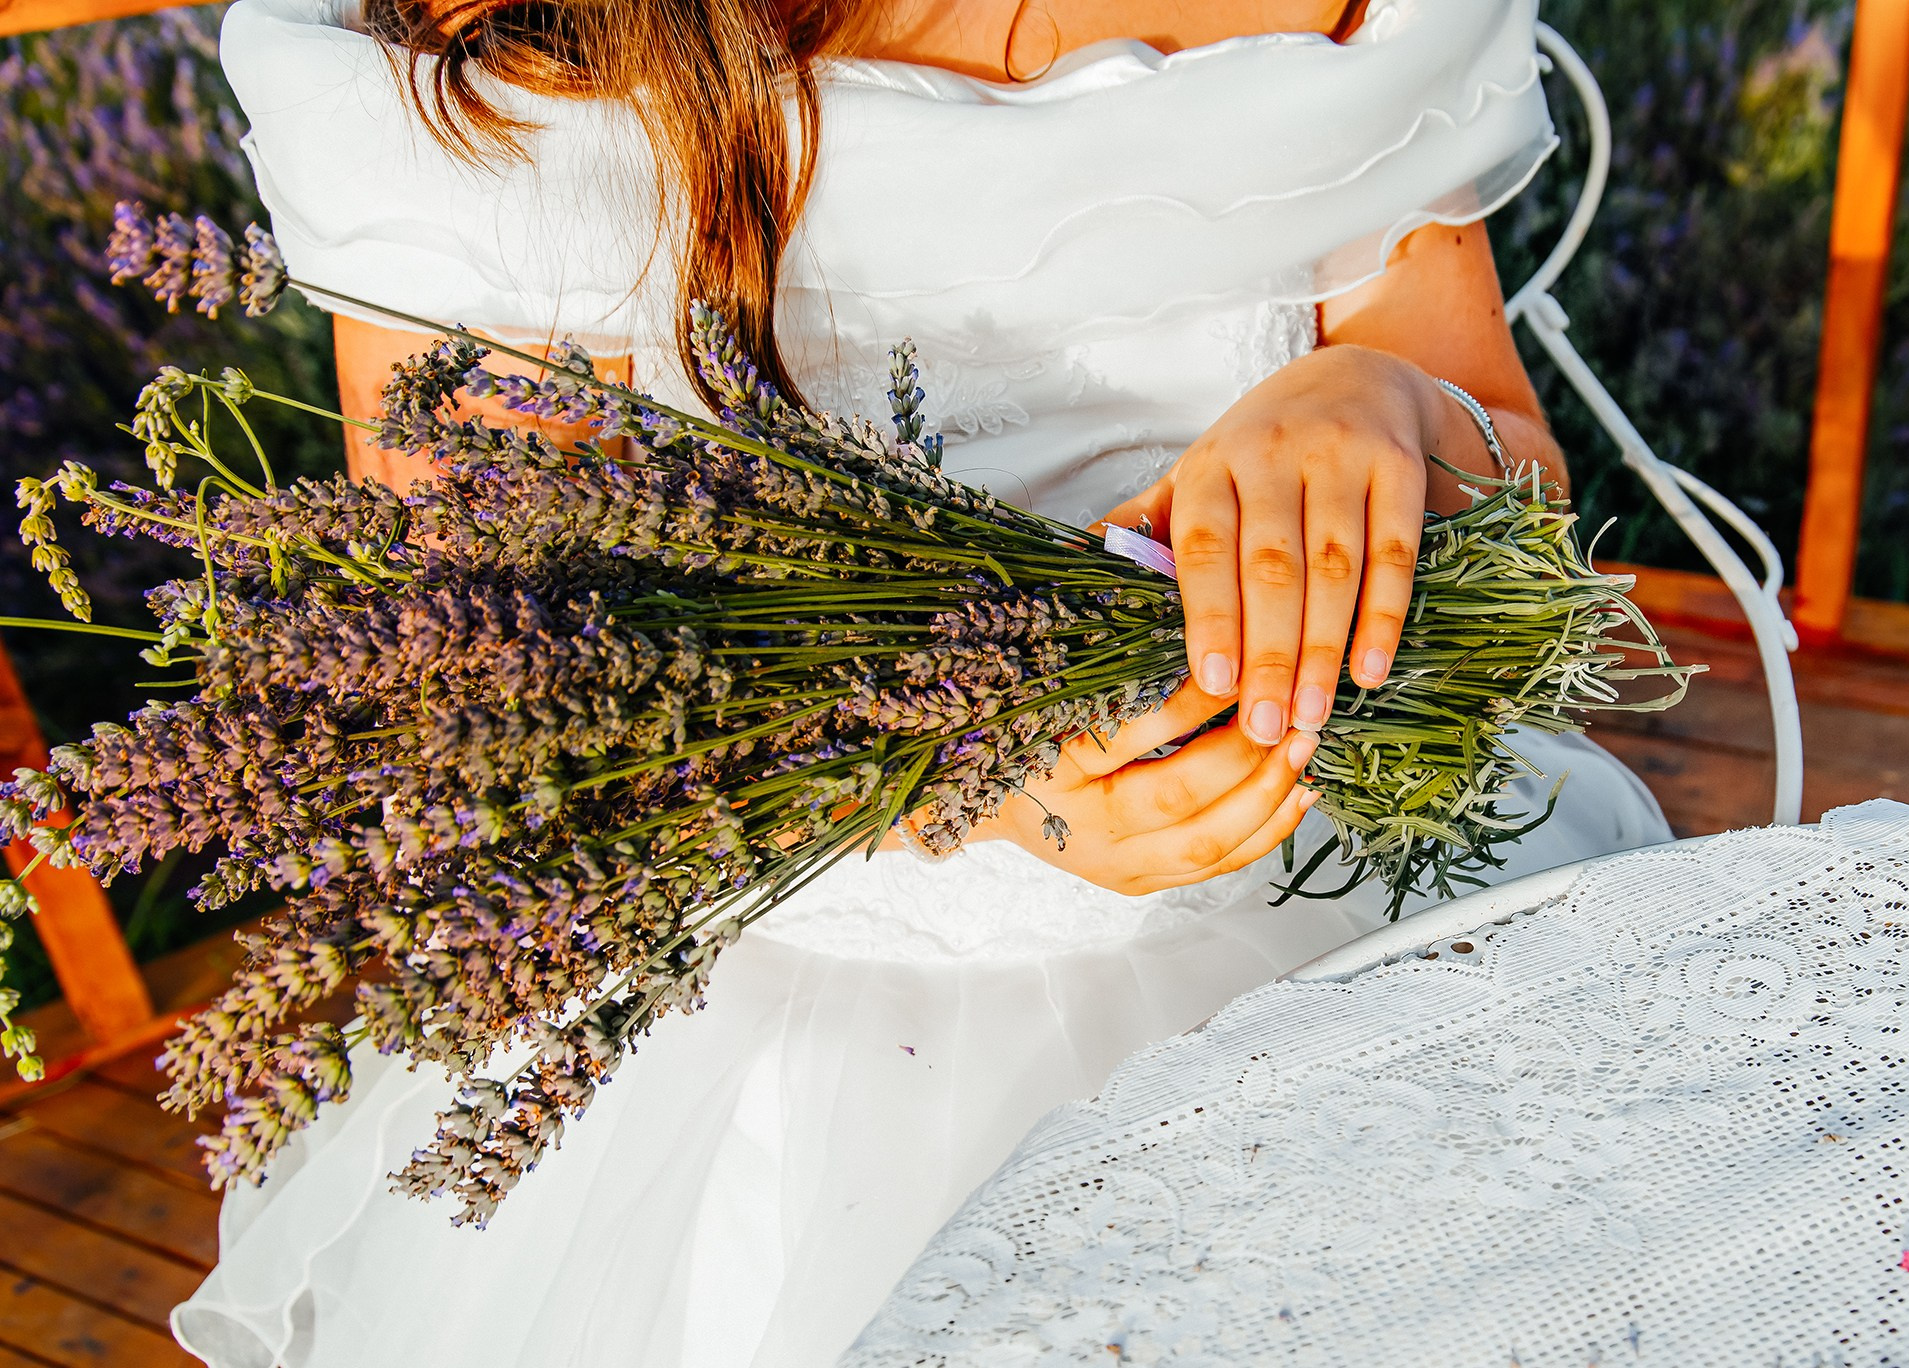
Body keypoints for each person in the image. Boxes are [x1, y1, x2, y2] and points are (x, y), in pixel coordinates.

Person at [172, 1, 1671, 1362]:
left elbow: (1515, 477)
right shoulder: (509, 42)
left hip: (1329, 924)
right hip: (781, 1027)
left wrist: (1381, 397)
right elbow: (492, 674)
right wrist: (957, 778)